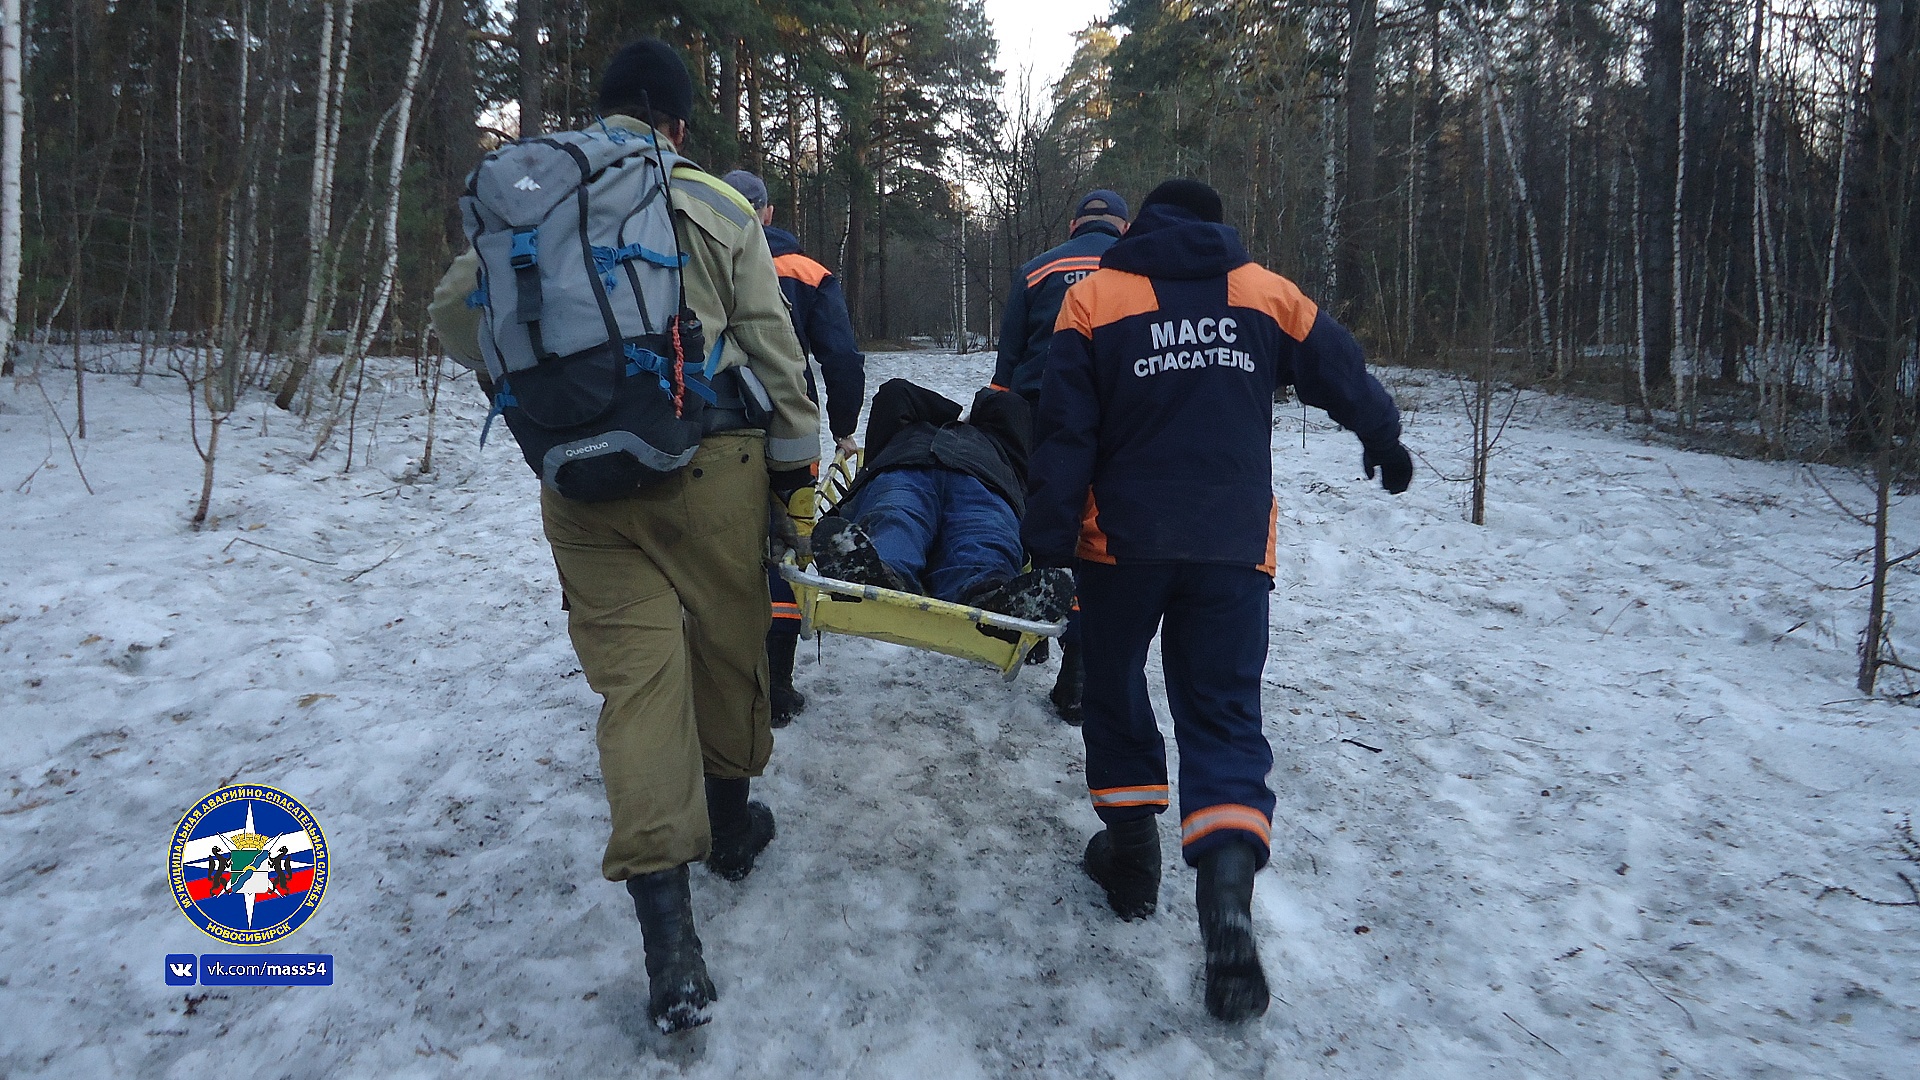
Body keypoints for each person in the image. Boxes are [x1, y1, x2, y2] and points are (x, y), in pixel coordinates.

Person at [429, 38, 819, 1035]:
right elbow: (776, 355)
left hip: (580, 480)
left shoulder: (534, 192)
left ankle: (672, 950)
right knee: (728, 649)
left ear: (601, 110)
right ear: (677, 125)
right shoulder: (717, 204)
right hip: (709, 465)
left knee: (635, 686)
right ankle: (731, 831)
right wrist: (795, 471)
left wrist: (528, 386)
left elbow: (452, 307)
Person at [1022, 179, 1413, 1023]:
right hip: (1232, 546)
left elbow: (1064, 434)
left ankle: (1132, 864)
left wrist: (1047, 542)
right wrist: (1382, 435)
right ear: (1213, 225)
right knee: (1224, 715)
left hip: (1117, 545)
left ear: (1144, 226)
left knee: (1118, 697)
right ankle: (1227, 901)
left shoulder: (1092, 299)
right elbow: (1338, 365)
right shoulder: (1265, 293)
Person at [720, 169, 866, 727]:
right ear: (769, 213)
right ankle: (777, 684)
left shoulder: (690, 254)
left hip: (712, 430)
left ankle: (721, 670)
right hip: (789, 430)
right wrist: (846, 426)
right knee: (786, 547)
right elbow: (843, 358)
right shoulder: (808, 272)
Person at [993, 189, 1130, 726]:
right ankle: (1077, 673)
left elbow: (1008, 360)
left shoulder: (1034, 270)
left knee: (1043, 517)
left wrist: (1001, 415)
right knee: (1094, 533)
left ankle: (1034, 631)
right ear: (1124, 226)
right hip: (1113, 416)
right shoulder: (1139, 273)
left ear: (1074, 224)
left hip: (1038, 410)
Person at [811, 379, 1071, 623]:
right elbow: (895, 393)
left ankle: (993, 597)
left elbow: (1012, 409)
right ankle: (878, 572)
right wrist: (951, 415)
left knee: (984, 532)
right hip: (908, 467)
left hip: (982, 482)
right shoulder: (907, 431)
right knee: (896, 515)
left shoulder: (1001, 445)